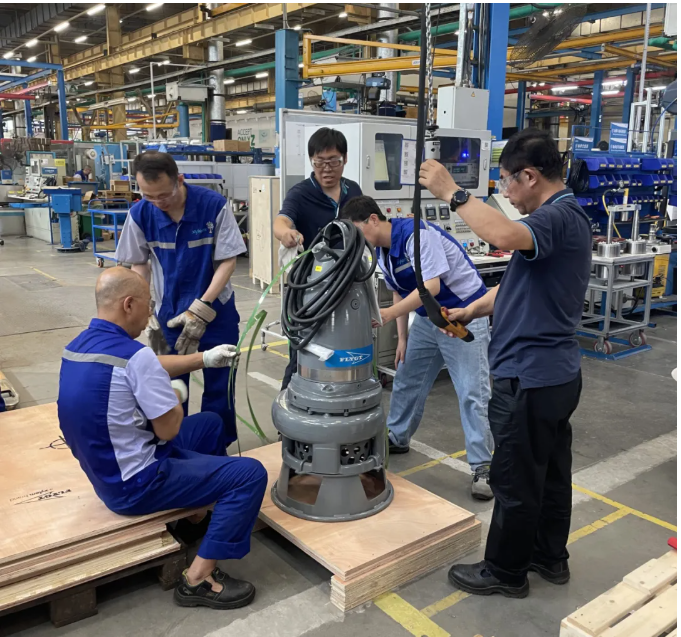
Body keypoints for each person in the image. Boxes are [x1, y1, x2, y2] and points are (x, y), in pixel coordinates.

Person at [419, 128, 591, 598]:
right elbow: (514, 285)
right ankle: (548, 557)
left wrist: (452, 193)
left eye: (507, 183)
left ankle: (505, 570)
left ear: (529, 176)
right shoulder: (559, 220)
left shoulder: (555, 217)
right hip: (554, 375)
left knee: (514, 478)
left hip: (530, 376)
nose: (506, 194)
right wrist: (471, 310)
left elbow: (500, 233)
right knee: (548, 474)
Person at [58, 267, 267, 610]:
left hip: (108, 468)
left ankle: (194, 518)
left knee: (210, 424)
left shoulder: (79, 346)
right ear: (129, 304)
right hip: (137, 483)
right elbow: (167, 430)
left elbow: (148, 364)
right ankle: (198, 579)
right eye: (149, 304)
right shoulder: (134, 357)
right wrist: (173, 397)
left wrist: (204, 359)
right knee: (250, 474)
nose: (150, 315)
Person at [341, 196, 494, 500]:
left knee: (472, 392)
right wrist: (402, 339)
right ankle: (397, 437)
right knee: (407, 377)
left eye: (357, 232)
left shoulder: (416, 236)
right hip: (428, 319)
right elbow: (400, 291)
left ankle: (483, 467)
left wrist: (386, 315)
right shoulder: (382, 252)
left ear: (373, 220)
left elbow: (431, 286)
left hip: (463, 314)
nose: (357, 241)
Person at [115, 151, 245, 445]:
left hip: (217, 312)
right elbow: (139, 264)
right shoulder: (140, 214)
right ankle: (176, 448)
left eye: (163, 194)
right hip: (169, 313)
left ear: (180, 180)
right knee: (171, 388)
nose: (158, 202)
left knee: (221, 386)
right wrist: (145, 306)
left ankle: (215, 449)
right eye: (149, 196)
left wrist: (202, 308)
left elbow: (227, 261)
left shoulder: (212, 206)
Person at [274, 127, 362, 390]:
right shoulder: (301, 193)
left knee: (347, 348)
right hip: (310, 292)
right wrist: (286, 233)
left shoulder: (353, 190)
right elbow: (281, 220)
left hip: (346, 285)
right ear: (311, 161)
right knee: (302, 351)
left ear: (345, 159)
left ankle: (343, 397)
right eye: (319, 162)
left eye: (334, 161)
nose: (327, 169)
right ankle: (290, 403)